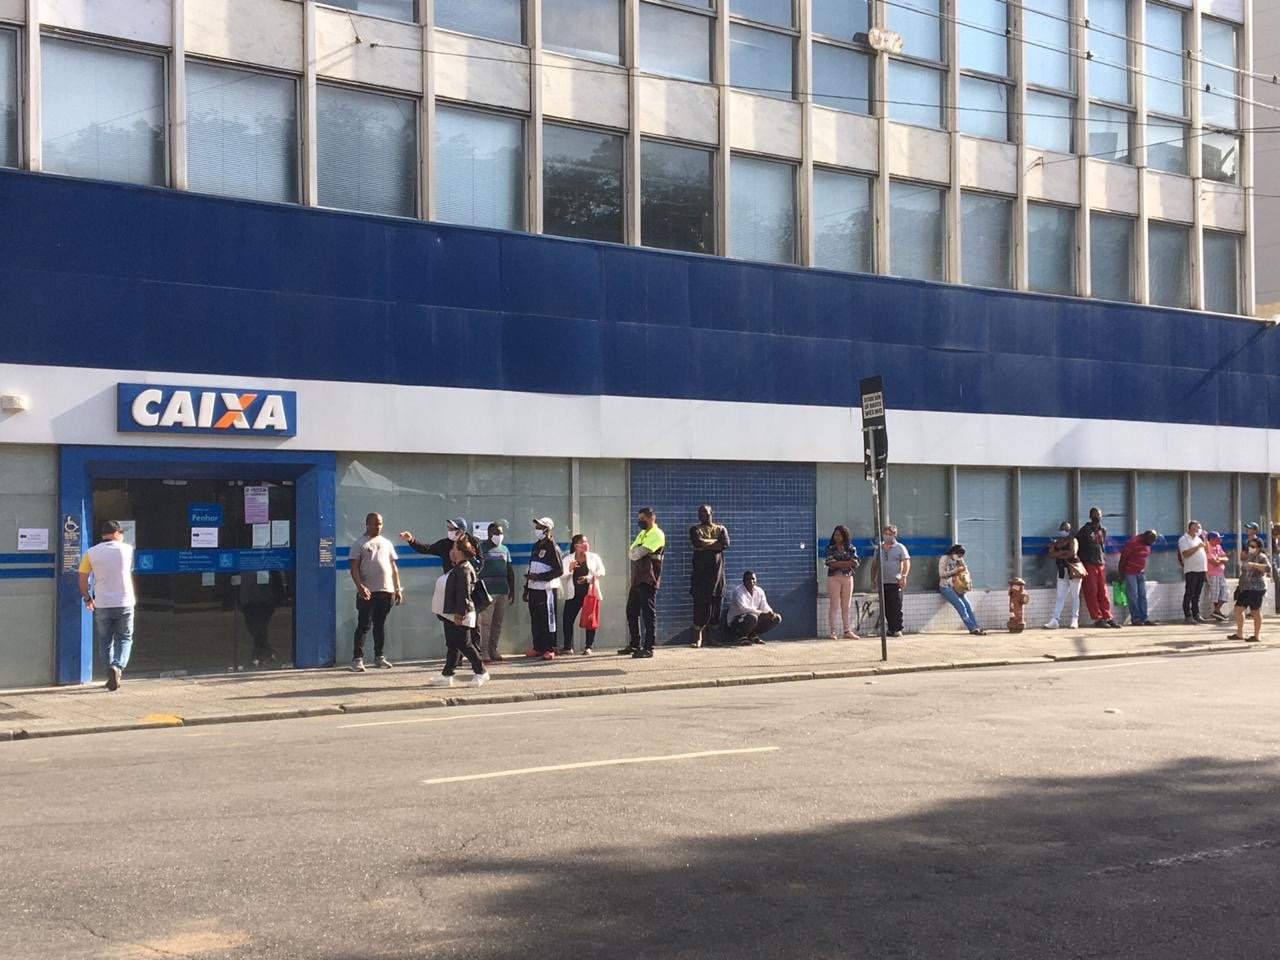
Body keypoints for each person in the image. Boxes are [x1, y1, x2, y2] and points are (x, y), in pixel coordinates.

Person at [401, 517, 483, 655]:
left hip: (467, 586)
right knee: (450, 625)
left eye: (453, 529)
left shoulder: (472, 543)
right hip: (451, 587)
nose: (450, 531)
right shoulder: (445, 544)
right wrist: (411, 540)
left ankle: (476, 657)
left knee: (470, 625)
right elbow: (426, 548)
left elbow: (480, 563)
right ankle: (453, 660)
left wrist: (469, 568)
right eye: (449, 528)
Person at [78, 519, 136, 691]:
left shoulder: (91, 552)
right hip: (124, 601)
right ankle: (117, 667)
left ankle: (110, 674)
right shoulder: (128, 549)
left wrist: (88, 598)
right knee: (124, 638)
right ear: (117, 533)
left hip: (102, 602)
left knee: (105, 641)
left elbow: (82, 579)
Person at [427, 538, 490, 687]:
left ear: (460, 552)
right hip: (450, 613)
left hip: (460, 614)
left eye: (454, 548)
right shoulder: (458, 567)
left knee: (465, 644)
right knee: (452, 644)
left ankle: (481, 671)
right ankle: (447, 675)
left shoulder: (464, 570)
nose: (451, 551)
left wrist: (459, 614)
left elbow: (464, 594)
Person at [349, 512, 402, 672]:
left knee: (380, 625)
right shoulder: (359, 543)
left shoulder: (386, 543)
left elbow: (393, 568)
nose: (378, 527)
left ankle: (379, 657)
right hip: (368, 591)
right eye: (375, 523)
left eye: (380, 523)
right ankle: (357, 659)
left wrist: (397, 588)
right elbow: (354, 568)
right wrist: (360, 586)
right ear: (367, 524)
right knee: (364, 624)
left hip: (385, 590)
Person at [623, 507, 665, 658]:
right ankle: (635, 644)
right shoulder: (643, 533)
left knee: (648, 613)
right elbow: (631, 552)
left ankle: (649, 647)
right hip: (637, 578)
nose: (640, 522)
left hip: (649, 577)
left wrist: (636, 552)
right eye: (639, 519)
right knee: (631, 611)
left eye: (643, 519)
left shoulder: (656, 534)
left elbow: (640, 552)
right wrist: (635, 552)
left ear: (651, 518)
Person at [688, 504, 730, 648]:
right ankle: (698, 638)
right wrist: (714, 543)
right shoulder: (695, 529)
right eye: (700, 512)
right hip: (700, 576)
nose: (702, 514)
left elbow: (724, 544)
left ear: (711, 513)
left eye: (705, 512)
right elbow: (697, 543)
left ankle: (710, 638)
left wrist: (706, 545)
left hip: (717, 577)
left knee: (716, 607)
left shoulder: (721, 528)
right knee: (700, 606)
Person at [476, 520, 516, 663]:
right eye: (496, 533)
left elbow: (510, 570)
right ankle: (484, 652)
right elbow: (475, 568)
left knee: (497, 622)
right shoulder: (481, 548)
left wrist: (512, 590)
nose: (499, 535)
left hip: (502, 590)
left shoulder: (505, 549)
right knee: (485, 623)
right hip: (488, 591)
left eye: (501, 533)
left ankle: (493, 650)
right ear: (489, 534)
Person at [525, 517, 564, 660]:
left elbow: (559, 570)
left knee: (548, 618)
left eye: (540, 527)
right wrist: (527, 587)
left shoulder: (552, 547)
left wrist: (540, 577)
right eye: (537, 527)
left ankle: (549, 647)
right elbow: (532, 566)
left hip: (546, 588)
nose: (537, 530)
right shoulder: (536, 546)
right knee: (536, 617)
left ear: (547, 529)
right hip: (533, 587)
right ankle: (538, 647)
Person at [561, 534, 606, 655]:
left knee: (589, 620)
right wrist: (569, 570)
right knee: (567, 619)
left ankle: (588, 646)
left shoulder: (594, 557)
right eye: (583, 542)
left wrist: (589, 578)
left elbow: (602, 571)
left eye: (587, 541)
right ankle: (567, 647)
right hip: (574, 594)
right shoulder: (568, 559)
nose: (586, 544)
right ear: (576, 546)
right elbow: (562, 576)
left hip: (589, 593)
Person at [1076, 507, 1120, 629]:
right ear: (1090, 516)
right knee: (1092, 591)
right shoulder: (1085, 530)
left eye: (1099, 515)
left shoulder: (1102, 530)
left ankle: (1108, 616)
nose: (1097, 517)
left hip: (1100, 563)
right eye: (1095, 515)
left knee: (1103, 592)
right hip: (1089, 563)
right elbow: (1077, 544)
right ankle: (1097, 618)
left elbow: (1102, 545)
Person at [1227, 537, 1271, 643]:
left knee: (1255, 611)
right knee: (1238, 609)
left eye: (1253, 546)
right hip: (1246, 587)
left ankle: (1256, 635)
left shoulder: (1261, 557)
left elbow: (1267, 568)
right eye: (1249, 546)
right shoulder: (1249, 556)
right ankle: (1239, 633)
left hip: (1257, 588)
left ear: (1259, 548)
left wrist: (1254, 565)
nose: (1250, 548)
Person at [241, 569, 287, 666]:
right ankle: (267, 653)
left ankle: (257, 655)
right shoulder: (244, 566)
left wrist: (279, 600)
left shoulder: (270, 568)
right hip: (248, 602)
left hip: (265, 602)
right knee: (256, 629)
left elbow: (278, 584)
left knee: (259, 628)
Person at [937, 545, 985, 636]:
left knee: (968, 605)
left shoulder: (959, 560)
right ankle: (972, 628)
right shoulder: (944, 559)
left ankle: (976, 626)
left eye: (961, 556)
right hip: (946, 586)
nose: (959, 558)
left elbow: (965, 570)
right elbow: (941, 574)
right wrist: (955, 571)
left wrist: (963, 569)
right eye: (958, 555)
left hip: (958, 586)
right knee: (961, 606)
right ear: (953, 552)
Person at [1043, 521, 1082, 630]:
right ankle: (1055, 619)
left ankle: (1074, 619)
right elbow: (1051, 554)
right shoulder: (1057, 541)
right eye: (1062, 529)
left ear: (1069, 531)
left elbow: (1072, 553)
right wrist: (1063, 553)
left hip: (1073, 571)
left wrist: (1058, 554)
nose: (1063, 531)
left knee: (1075, 595)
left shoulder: (1073, 540)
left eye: (1065, 529)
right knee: (1060, 596)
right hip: (1061, 571)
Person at [726, 571, 782, 644]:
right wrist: (761, 614)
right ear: (743, 580)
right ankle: (741, 637)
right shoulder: (738, 591)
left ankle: (752, 635)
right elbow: (743, 608)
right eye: (748, 579)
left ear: (756, 580)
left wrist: (770, 613)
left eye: (753, 579)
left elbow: (764, 605)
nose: (751, 581)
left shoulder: (759, 591)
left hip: (753, 617)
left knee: (776, 618)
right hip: (736, 621)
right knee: (752, 617)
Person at [824, 525, 859, 639]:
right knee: (834, 604)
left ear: (844, 536)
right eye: (835, 534)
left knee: (846, 605)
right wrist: (846, 563)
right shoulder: (830, 548)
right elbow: (831, 564)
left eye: (839, 534)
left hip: (848, 578)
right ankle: (833, 631)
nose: (837, 537)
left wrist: (840, 563)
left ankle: (846, 630)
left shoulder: (851, 548)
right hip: (834, 577)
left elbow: (855, 562)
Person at [1119, 530, 1159, 626]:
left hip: (1141, 572)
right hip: (1130, 572)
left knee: (1142, 595)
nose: (1150, 544)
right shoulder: (1132, 542)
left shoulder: (1148, 543)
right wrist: (1121, 573)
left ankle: (1144, 618)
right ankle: (1136, 618)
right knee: (1133, 595)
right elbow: (1123, 558)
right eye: (1150, 541)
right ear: (1145, 537)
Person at [876, 525, 910, 638]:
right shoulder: (879, 548)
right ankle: (890, 628)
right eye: (885, 533)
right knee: (886, 607)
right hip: (883, 582)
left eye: (890, 534)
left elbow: (906, 562)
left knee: (896, 606)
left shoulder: (900, 547)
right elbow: (874, 564)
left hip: (895, 582)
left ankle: (897, 628)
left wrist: (903, 576)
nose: (887, 536)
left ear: (895, 534)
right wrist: (873, 579)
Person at [1178, 520, 1208, 624]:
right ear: (1191, 527)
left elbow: (1207, 551)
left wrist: (1205, 539)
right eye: (1197, 527)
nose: (1199, 529)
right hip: (1191, 569)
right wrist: (1198, 547)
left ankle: (1196, 613)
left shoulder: (1199, 539)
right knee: (1189, 593)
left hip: (1201, 569)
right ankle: (1188, 615)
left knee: (1197, 594)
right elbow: (1185, 554)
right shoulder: (1184, 539)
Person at [1205, 531, 1230, 622]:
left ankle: (1216, 611)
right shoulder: (1208, 549)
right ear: (1212, 540)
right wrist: (1220, 560)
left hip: (1221, 573)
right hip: (1212, 574)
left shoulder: (1218, 547)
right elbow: (1214, 563)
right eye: (1218, 538)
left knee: (1225, 592)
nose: (1220, 540)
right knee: (1215, 594)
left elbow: (1226, 558)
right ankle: (1217, 612)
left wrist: (1219, 559)